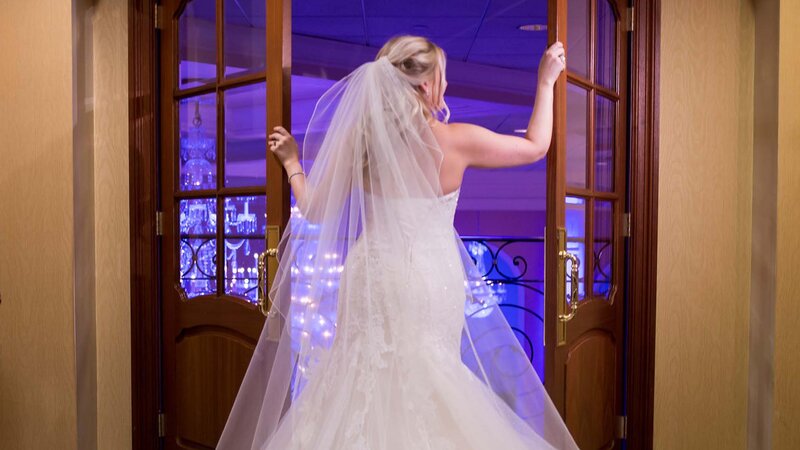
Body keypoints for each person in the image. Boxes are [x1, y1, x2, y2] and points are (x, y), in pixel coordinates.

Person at [216, 35, 576, 450]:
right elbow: (536, 146)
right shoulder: (454, 139)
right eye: (441, 77)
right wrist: (546, 81)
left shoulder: (362, 143)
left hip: (372, 273)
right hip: (428, 276)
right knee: (431, 372)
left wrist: (293, 163)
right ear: (425, 86)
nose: (445, 87)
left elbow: (314, 210)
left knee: (356, 374)